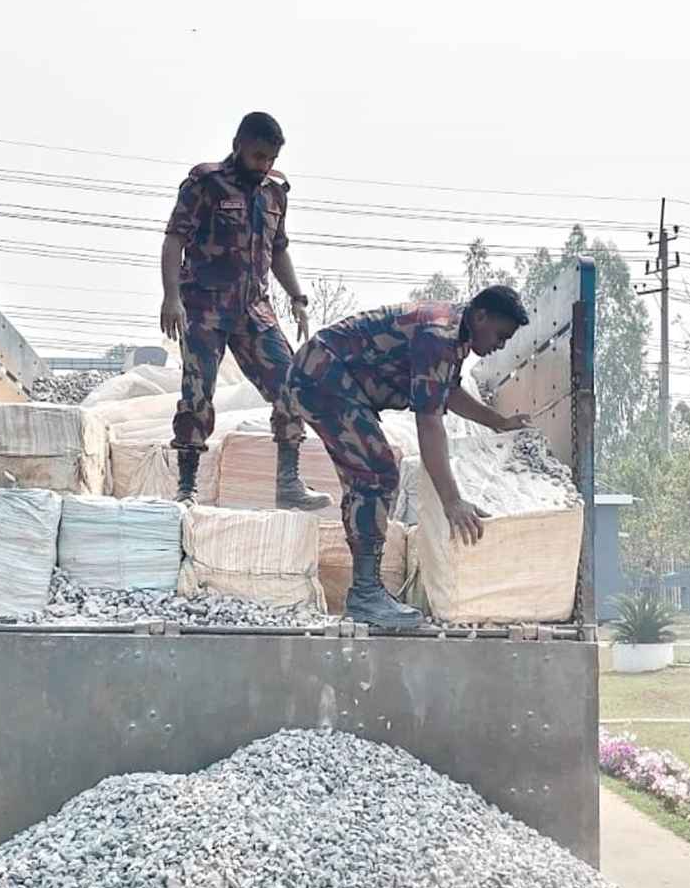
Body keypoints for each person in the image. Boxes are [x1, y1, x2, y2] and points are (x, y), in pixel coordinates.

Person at [283, 285, 533, 629]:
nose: (500, 345)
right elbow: (429, 423)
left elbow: (447, 392)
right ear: (481, 316)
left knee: (372, 472)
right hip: (323, 376)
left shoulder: (455, 335)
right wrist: (453, 501)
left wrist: (499, 423)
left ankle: (367, 591)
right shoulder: (439, 334)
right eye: (500, 335)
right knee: (377, 471)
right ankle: (366, 595)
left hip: (333, 379)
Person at [160, 111, 329, 510]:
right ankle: (187, 487)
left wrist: (297, 296)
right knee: (197, 394)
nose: (264, 165)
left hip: (254, 311)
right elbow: (173, 240)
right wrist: (171, 297)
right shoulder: (206, 183)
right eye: (258, 157)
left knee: (293, 386)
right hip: (204, 307)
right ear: (238, 146)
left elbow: (278, 249)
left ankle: (288, 485)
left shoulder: (275, 192)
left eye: (270, 158)